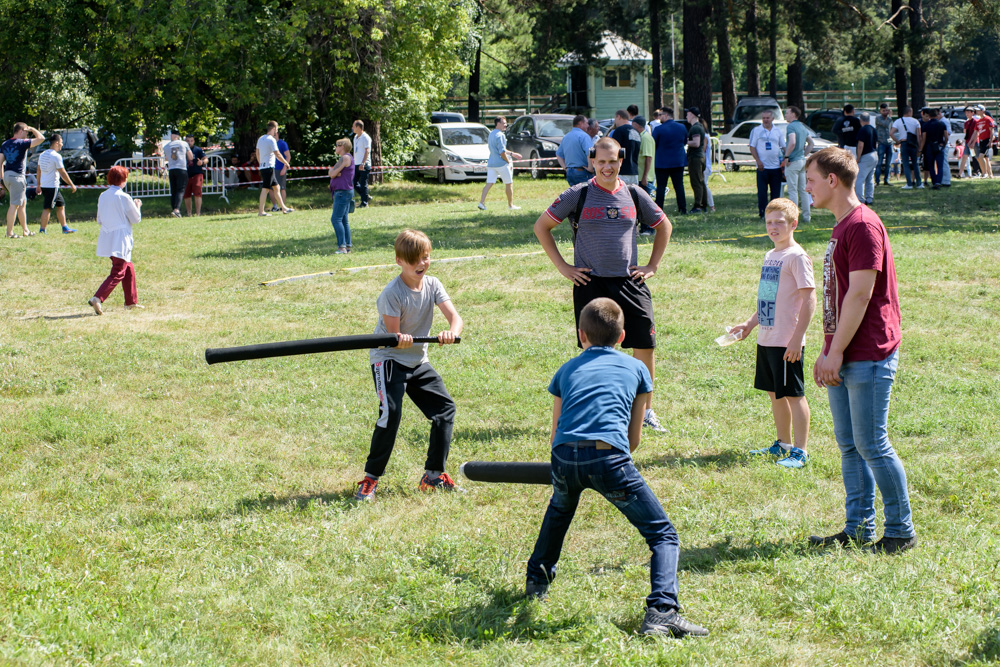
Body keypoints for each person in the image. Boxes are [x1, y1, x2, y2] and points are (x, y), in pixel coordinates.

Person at [524, 297, 708, 639]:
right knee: (663, 534)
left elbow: (556, 433)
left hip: (563, 456)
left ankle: (536, 581)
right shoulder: (638, 369)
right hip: (610, 458)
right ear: (622, 337)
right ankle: (662, 612)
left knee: (560, 508)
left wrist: (570, 467)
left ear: (581, 335)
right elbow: (633, 438)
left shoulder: (565, 370)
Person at [804, 147, 916, 555]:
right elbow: (838, 297)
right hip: (845, 350)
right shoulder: (842, 225)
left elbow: (861, 295)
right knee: (850, 444)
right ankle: (858, 529)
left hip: (867, 351)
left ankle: (901, 531)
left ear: (832, 180)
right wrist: (827, 349)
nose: (808, 188)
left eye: (811, 180)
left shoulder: (863, 225)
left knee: (872, 444)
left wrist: (836, 353)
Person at [534, 136, 673, 433]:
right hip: (591, 283)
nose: (607, 167)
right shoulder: (578, 194)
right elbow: (541, 227)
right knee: (593, 349)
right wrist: (563, 267)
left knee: (644, 344)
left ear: (621, 161)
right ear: (591, 162)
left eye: (612, 161)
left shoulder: (635, 194)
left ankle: (645, 411)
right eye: (601, 162)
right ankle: (593, 407)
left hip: (629, 281)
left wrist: (652, 265)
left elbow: (664, 226)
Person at [355, 229, 464, 501]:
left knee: (444, 409)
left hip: (417, 361)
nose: (421, 264)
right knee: (390, 414)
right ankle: (370, 479)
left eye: (425, 257)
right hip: (389, 359)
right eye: (414, 259)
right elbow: (394, 336)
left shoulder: (433, 284)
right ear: (399, 261)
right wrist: (398, 339)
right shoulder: (392, 293)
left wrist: (450, 330)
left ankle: (433, 475)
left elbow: (456, 318)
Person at [729, 198, 816, 468]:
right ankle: (783, 444)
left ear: (793, 224)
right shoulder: (771, 256)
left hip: (787, 341)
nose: (773, 227)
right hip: (767, 338)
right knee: (774, 393)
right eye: (769, 222)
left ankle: (800, 451)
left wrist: (796, 339)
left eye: (780, 222)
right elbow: (767, 299)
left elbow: (809, 299)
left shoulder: (797, 256)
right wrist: (749, 324)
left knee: (793, 394)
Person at [88, 166, 143, 315]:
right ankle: (98, 298)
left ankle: (131, 301)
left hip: (107, 236)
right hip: (120, 238)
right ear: (123, 180)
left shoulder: (103, 195)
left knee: (128, 267)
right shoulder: (124, 197)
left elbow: (99, 219)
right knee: (119, 270)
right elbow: (136, 218)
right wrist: (137, 206)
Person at [2, 122, 45, 238]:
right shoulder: (22, 143)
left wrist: (1, 180)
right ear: (21, 131)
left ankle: (25, 230)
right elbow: (41, 138)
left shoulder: (5, 144)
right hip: (17, 177)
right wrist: (32, 128)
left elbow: (0, 162)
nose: (27, 134)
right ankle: (9, 233)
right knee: (14, 205)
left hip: (7, 175)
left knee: (22, 203)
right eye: (26, 132)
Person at [35, 133, 78, 234]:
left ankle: (65, 228)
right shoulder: (56, 156)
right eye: (61, 143)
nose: (62, 145)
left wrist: (38, 184)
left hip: (45, 185)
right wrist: (71, 184)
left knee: (61, 205)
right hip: (52, 186)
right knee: (47, 208)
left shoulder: (42, 154)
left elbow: (38, 170)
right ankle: (42, 230)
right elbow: (62, 172)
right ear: (57, 143)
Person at [478, 116, 522, 211]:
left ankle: (481, 203)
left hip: (491, 163)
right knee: (509, 183)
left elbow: (500, 149)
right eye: (504, 123)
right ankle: (511, 205)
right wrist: (508, 161)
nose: (505, 125)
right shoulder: (501, 135)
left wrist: (512, 154)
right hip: (501, 164)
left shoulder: (491, 134)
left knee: (489, 183)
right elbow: (502, 152)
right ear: (498, 123)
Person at [749, 110, 785, 218]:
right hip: (762, 167)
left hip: (775, 167)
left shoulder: (777, 131)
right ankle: (762, 214)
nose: (765, 120)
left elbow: (783, 146)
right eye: (763, 118)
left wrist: (786, 158)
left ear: (772, 119)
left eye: (767, 118)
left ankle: (774, 214)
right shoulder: (756, 130)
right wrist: (758, 161)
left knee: (775, 194)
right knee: (762, 193)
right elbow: (752, 147)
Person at [652, 107, 687, 215]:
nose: (659, 117)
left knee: (661, 187)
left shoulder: (658, 129)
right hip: (678, 161)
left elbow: (654, 144)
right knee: (679, 186)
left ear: (666, 115)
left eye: (661, 115)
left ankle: (659, 209)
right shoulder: (682, 127)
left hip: (662, 162)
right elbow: (685, 141)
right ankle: (682, 209)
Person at [782, 106, 813, 223]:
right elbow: (811, 143)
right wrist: (804, 154)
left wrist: (786, 156)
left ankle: (793, 218)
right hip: (801, 161)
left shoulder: (791, 126)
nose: (785, 115)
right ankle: (807, 217)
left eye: (787, 113)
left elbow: (792, 142)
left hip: (793, 162)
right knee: (803, 190)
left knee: (792, 191)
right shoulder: (802, 126)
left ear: (793, 114)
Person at [256, 120, 293, 216]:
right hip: (269, 167)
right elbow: (277, 154)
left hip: (264, 167)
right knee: (265, 189)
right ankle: (261, 211)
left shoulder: (261, 138)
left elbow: (257, 153)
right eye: (276, 129)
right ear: (273, 129)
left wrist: (261, 163)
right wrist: (286, 163)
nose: (276, 131)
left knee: (277, 188)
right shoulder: (271, 139)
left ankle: (284, 208)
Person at [328, 137, 355, 254]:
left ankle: (342, 247)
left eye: (337, 145)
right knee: (344, 220)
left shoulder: (345, 158)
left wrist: (335, 173)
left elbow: (332, 173)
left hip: (342, 192)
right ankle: (347, 246)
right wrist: (334, 172)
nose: (335, 147)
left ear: (342, 146)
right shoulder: (346, 158)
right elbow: (332, 173)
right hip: (346, 191)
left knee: (336, 219)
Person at [555, 115, 594, 186]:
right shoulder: (584, 136)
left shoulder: (566, 137)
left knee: (574, 195)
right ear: (581, 123)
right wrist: (590, 168)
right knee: (585, 195)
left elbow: (559, 154)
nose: (588, 126)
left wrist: (565, 168)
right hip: (582, 172)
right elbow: (590, 152)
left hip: (570, 172)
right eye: (587, 123)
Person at [889, 106, 922, 190]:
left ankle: (909, 184)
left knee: (906, 164)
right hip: (913, 144)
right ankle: (919, 183)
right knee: (915, 163)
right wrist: (919, 147)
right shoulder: (915, 121)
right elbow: (919, 135)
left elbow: (891, 133)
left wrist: (897, 141)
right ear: (910, 112)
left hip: (904, 143)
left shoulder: (898, 121)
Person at [163, 131, 192, 218]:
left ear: (171, 136)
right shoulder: (184, 143)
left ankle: (174, 210)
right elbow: (190, 157)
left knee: (173, 191)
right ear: (178, 136)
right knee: (180, 190)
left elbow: (167, 158)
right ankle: (176, 210)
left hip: (171, 169)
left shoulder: (166, 146)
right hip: (181, 168)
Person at [685, 107, 708, 213]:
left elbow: (696, 143)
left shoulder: (695, 128)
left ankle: (698, 206)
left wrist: (685, 141)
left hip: (696, 158)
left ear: (693, 115)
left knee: (696, 182)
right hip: (700, 157)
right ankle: (703, 204)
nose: (686, 116)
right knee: (701, 181)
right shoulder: (699, 126)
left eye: (688, 114)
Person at [919, 107, 948, 190]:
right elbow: (946, 136)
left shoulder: (926, 125)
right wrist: (944, 144)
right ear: (937, 115)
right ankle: (939, 181)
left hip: (929, 146)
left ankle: (934, 182)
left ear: (929, 116)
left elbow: (923, 138)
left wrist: (921, 149)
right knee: (940, 166)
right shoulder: (942, 124)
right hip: (939, 146)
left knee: (931, 166)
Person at [609, 110, 641, 186]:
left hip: (622, 171)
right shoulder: (636, 131)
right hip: (634, 171)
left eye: (615, 118)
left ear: (618, 117)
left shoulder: (619, 131)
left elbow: (614, 151)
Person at [855, 112, 879, 204]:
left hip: (866, 155)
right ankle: (869, 198)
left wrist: (858, 158)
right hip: (874, 154)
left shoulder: (862, 130)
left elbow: (861, 145)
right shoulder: (873, 129)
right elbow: (876, 143)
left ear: (860, 120)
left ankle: (860, 199)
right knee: (870, 179)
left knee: (860, 178)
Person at [633, 115, 656, 201]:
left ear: (636, 125)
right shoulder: (640, 137)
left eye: (633, 125)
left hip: (644, 177)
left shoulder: (645, 138)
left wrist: (645, 177)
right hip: (640, 175)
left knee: (644, 201)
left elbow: (648, 157)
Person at [182, 135, 206, 217]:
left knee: (197, 193)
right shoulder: (182, 149)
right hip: (185, 174)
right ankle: (189, 213)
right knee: (186, 194)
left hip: (197, 174)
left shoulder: (198, 150)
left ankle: (198, 213)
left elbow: (206, 159)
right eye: (188, 141)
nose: (189, 142)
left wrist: (202, 162)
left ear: (194, 141)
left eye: (191, 140)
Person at [352, 120, 372, 207]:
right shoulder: (355, 137)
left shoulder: (366, 137)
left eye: (353, 126)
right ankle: (366, 196)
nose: (352, 128)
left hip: (364, 164)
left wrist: (363, 163)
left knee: (364, 184)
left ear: (358, 127)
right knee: (353, 182)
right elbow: (355, 151)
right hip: (356, 163)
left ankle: (364, 203)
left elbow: (367, 150)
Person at [875, 104, 894, 185]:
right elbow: (886, 124)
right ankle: (877, 181)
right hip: (881, 143)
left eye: (887, 110)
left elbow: (892, 128)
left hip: (889, 142)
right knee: (879, 163)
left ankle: (886, 180)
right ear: (880, 111)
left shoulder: (890, 119)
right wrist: (890, 117)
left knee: (888, 164)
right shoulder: (878, 118)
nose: (885, 112)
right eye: (884, 110)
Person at [974, 104, 995, 178]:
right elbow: (976, 132)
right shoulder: (978, 121)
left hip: (987, 140)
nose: (977, 111)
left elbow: (991, 130)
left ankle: (984, 173)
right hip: (981, 141)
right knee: (986, 158)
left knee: (980, 156)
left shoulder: (988, 119)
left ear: (983, 111)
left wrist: (991, 141)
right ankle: (990, 175)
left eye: (978, 110)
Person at [272, 130, 291, 210]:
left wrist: (284, 168)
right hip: (271, 168)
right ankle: (275, 206)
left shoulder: (282, 143)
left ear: (276, 134)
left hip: (280, 169)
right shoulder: (270, 143)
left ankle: (282, 207)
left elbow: (288, 156)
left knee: (282, 188)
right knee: (270, 189)